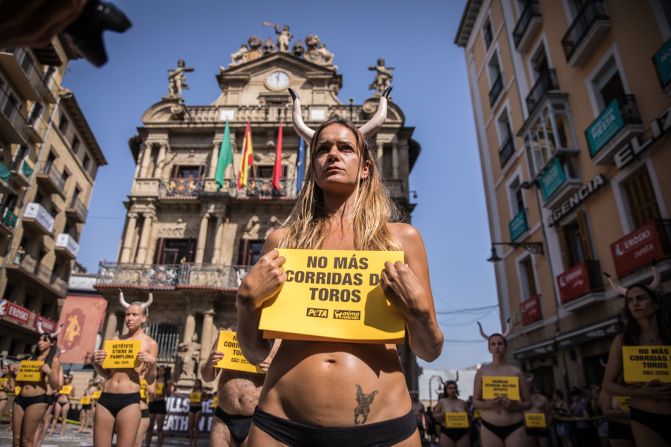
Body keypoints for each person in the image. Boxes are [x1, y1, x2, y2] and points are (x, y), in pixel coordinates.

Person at [237, 87, 443, 447]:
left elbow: (428, 349)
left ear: (365, 168)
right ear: (312, 167)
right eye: (322, 149)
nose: (333, 154)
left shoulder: (401, 239)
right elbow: (256, 354)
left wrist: (420, 312)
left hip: (384, 426)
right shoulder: (282, 241)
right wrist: (245, 304)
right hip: (280, 425)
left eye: (345, 148)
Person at [602, 267, 671, 447]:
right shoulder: (622, 341)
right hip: (644, 417)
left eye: (641, 298)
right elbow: (608, 385)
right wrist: (639, 392)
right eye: (630, 301)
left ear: (655, 304)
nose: (635, 304)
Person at [92, 292, 158, 447]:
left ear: (144, 318)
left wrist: (152, 363)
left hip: (129, 400)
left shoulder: (150, 344)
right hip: (105, 397)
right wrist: (95, 363)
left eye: (135, 315)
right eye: (128, 314)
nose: (129, 318)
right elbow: (107, 374)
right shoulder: (115, 340)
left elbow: (150, 379)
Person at [200, 330, 275, 447]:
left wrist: (272, 370)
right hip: (223, 418)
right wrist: (209, 363)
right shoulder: (227, 336)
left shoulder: (274, 341)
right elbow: (207, 377)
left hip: (255, 420)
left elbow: (285, 381)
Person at [472, 322, 531, 447]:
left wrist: (515, 405)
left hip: (515, 425)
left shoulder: (516, 372)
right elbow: (475, 402)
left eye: (500, 343)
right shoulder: (482, 372)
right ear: (489, 348)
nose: (497, 347)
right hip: (489, 427)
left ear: (505, 347)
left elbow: (528, 403)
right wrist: (488, 404)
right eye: (493, 344)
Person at [11, 323, 62, 447]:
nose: (40, 342)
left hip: (37, 400)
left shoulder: (53, 360)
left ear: (51, 343)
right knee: (16, 439)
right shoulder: (29, 359)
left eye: (44, 340)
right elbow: (18, 383)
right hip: (20, 399)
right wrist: (14, 373)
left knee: (27, 441)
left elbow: (55, 385)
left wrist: (49, 372)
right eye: (39, 339)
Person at [433, 380, 470, 447]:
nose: (452, 390)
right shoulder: (442, 402)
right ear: (446, 390)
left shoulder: (462, 402)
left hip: (462, 431)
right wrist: (442, 415)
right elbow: (434, 415)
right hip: (447, 431)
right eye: (450, 388)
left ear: (456, 389)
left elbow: (469, 416)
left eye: (454, 388)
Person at [146, 366, 171, 447]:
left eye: (162, 370)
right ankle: (147, 445)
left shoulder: (167, 382)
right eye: (159, 370)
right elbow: (148, 390)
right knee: (149, 427)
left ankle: (159, 445)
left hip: (161, 403)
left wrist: (166, 387)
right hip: (152, 402)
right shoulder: (153, 380)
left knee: (159, 428)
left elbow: (168, 394)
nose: (160, 371)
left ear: (165, 372)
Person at [525, 377, 550, 447]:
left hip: (542, 427)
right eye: (526, 384)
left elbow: (549, 413)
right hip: (528, 427)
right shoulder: (522, 399)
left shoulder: (543, 398)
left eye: (529, 383)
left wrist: (548, 425)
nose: (528, 385)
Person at [133, 379, 152, 447]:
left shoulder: (149, 377)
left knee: (137, 442)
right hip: (128, 409)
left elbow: (153, 394)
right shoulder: (129, 373)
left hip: (142, 410)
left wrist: (147, 387)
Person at [187, 379, 203, 447]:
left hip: (198, 408)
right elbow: (189, 399)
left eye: (197, 383)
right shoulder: (192, 391)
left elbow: (205, 399)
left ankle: (194, 442)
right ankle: (190, 441)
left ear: (199, 384)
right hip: (191, 407)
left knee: (196, 425)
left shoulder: (202, 392)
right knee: (190, 425)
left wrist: (203, 397)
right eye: (195, 383)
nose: (195, 384)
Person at [0, 361, 15, 427]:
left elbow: (13, 390)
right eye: (3, 368)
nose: (4, 370)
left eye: (5, 368)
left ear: (9, 369)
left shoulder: (10, 378)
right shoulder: (1, 377)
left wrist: (6, 387)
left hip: (3, 399)